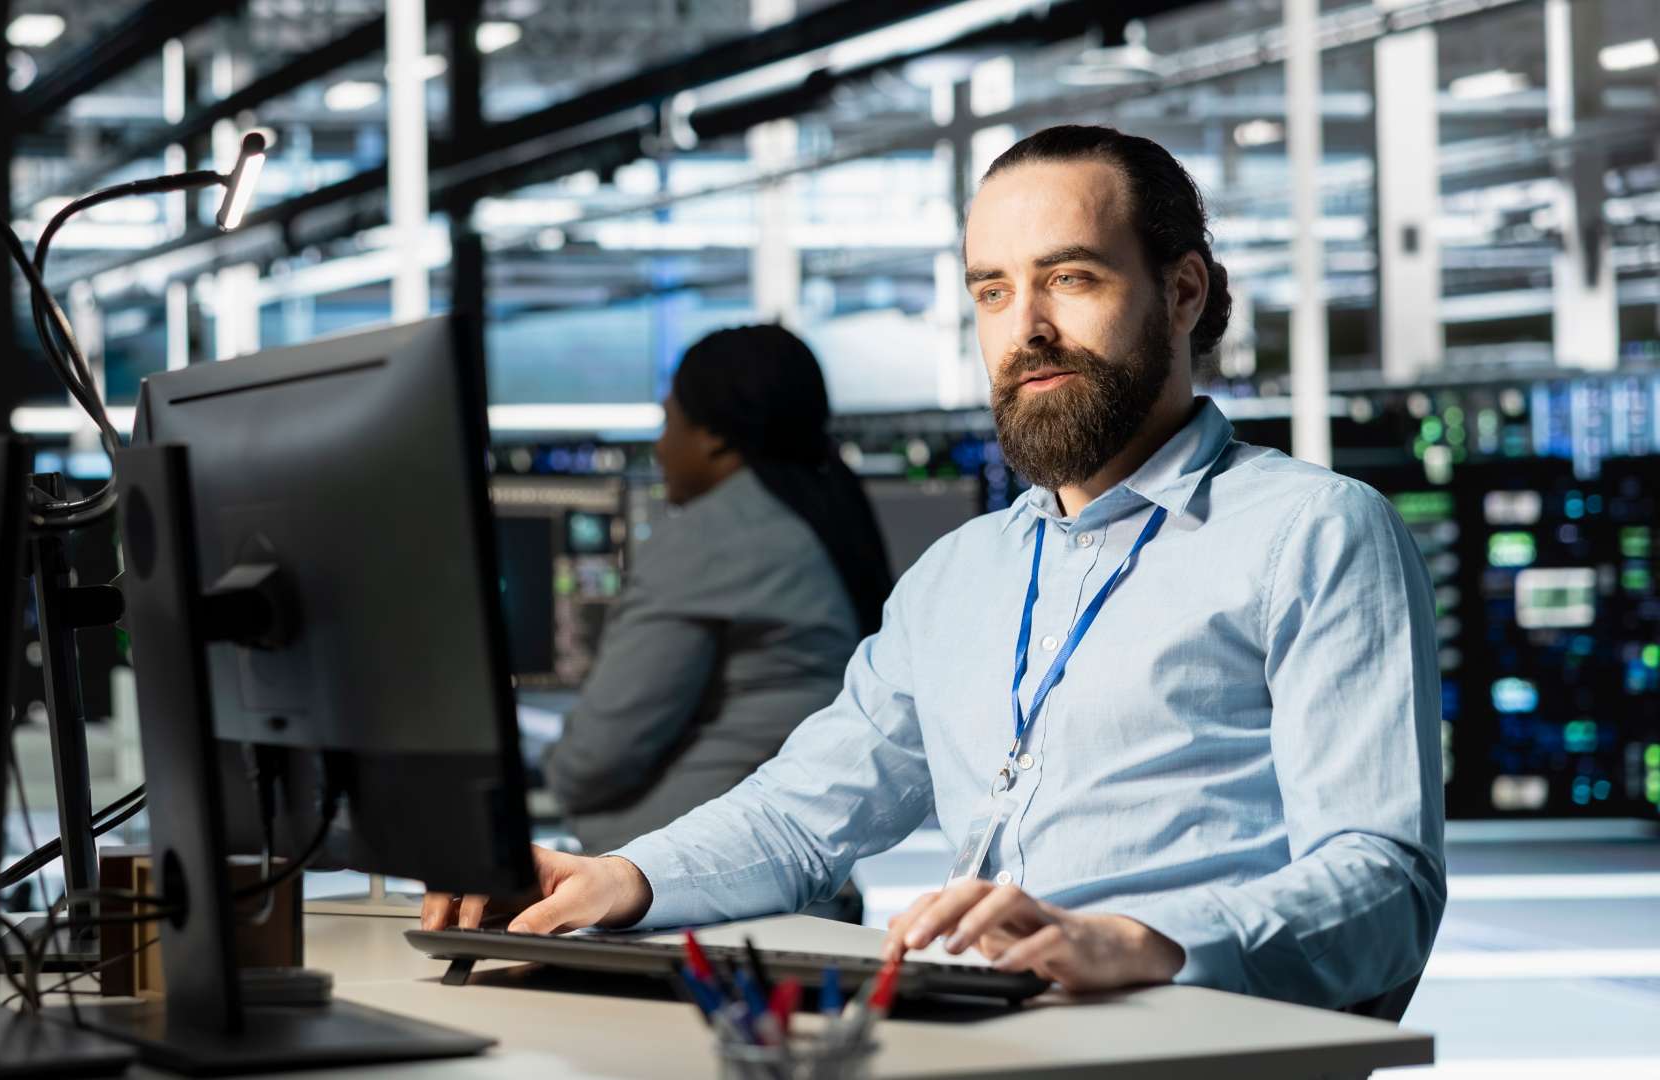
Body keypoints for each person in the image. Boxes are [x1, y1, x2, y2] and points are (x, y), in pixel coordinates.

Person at [425, 125, 1446, 1012]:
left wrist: (1146, 940)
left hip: (1187, 1034)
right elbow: (799, 814)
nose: (1026, 327)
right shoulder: (960, 576)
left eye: (1072, 277)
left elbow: (1384, 885)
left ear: (1184, 292)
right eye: (993, 291)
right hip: (997, 1031)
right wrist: (617, 876)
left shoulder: (1314, 532)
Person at [540, 324, 896, 858]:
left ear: (714, 436)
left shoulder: (716, 536)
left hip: (683, 883)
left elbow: (595, 759)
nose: (660, 447)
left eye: (668, 421)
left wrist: (552, 764)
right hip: (789, 863)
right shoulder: (822, 516)